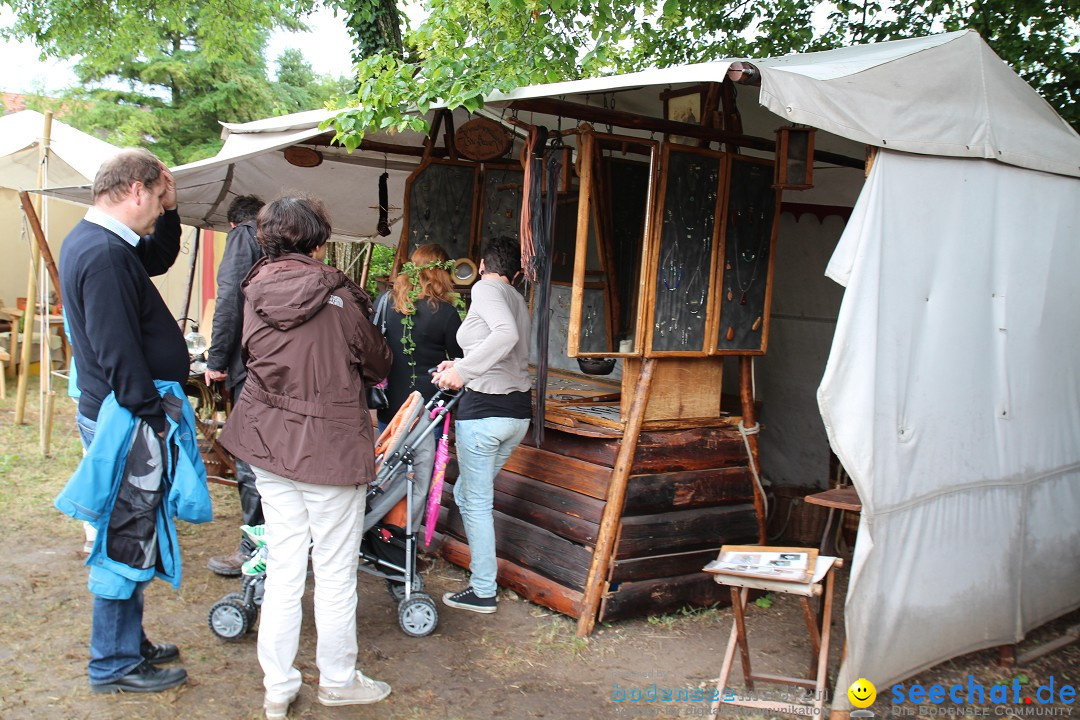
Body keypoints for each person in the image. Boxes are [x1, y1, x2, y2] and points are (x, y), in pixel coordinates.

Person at [217, 196, 393, 720]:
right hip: (331, 448)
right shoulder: (339, 294)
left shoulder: (252, 290)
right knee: (335, 572)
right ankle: (337, 680)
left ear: (267, 239)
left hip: (270, 445)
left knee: (286, 568)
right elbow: (378, 359)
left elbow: (249, 355)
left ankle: (278, 686)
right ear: (318, 241)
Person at [57, 147, 190, 693]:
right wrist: (151, 414)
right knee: (124, 538)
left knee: (133, 532)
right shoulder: (106, 254)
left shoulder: (100, 241)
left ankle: (128, 642)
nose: (159, 212)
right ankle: (112, 663)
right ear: (135, 191)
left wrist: (176, 209)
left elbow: (157, 258)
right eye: (157, 201)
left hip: (119, 412)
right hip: (125, 417)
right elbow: (116, 351)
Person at [431, 236, 532, 614]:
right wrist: (456, 365)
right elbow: (498, 343)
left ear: (483, 265)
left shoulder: (485, 288)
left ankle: (483, 589)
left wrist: (466, 370)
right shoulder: (517, 298)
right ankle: (482, 578)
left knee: (474, 501)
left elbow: (505, 336)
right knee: (471, 496)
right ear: (518, 273)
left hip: (486, 412)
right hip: (516, 414)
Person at [372, 243, 462, 527]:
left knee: (385, 470)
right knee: (417, 477)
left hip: (389, 404)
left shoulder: (387, 303)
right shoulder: (446, 314)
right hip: (427, 408)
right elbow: (461, 360)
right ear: (442, 273)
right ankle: (404, 537)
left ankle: (377, 530)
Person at [204, 194, 267, 576]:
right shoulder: (282, 242)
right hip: (279, 365)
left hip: (251, 365)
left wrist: (215, 359)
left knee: (250, 456)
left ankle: (252, 548)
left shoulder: (244, 237)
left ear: (233, 223)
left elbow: (229, 299)